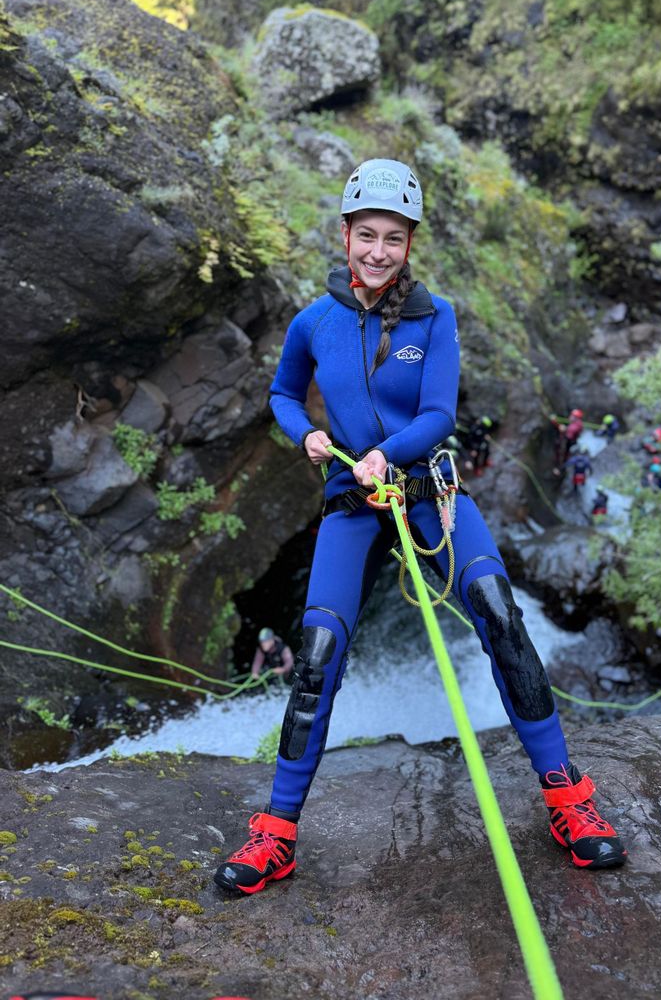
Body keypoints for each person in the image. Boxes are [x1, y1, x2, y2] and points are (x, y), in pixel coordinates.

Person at [213, 158, 626, 896]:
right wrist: (302, 433)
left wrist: (385, 452)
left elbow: (438, 415)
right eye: (365, 235)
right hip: (350, 501)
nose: (377, 251)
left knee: (500, 614)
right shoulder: (315, 322)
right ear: (344, 236)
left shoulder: (434, 318)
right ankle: (276, 833)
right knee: (316, 653)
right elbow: (282, 392)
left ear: (410, 244)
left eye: (393, 239)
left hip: (430, 491)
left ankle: (569, 798)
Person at [551, 408, 583, 474]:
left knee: (562, 454)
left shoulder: (574, 427)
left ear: (576, 418)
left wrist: (556, 424)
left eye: (572, 416)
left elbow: (567, 434)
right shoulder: (578, 423)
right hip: (572, 441)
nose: (570, 416)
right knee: (564, 453)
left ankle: (559, 469)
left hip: (569, 442)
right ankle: (560, 468)